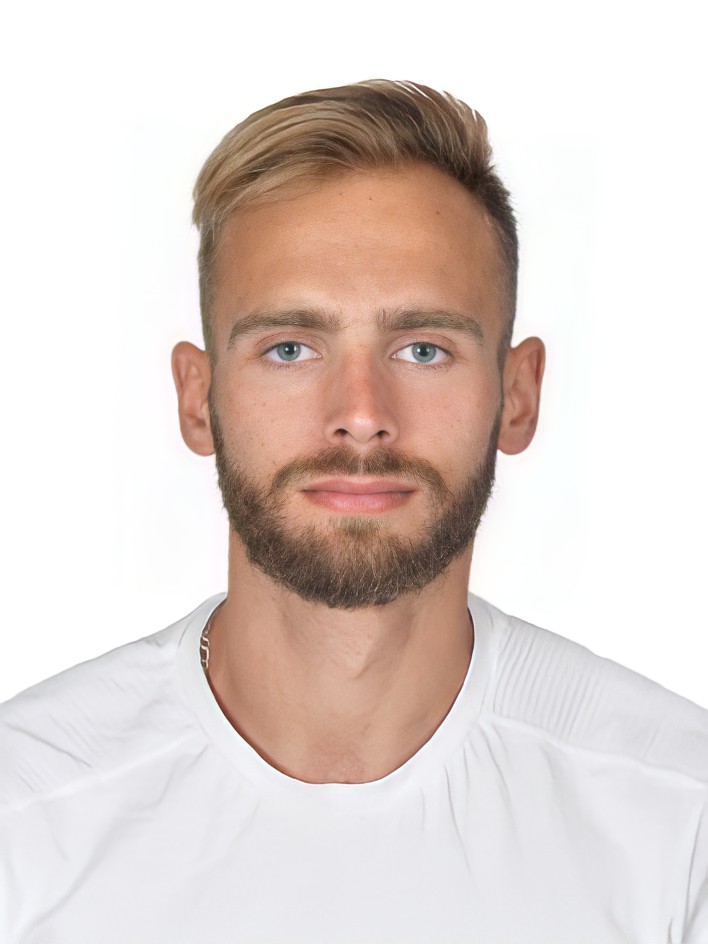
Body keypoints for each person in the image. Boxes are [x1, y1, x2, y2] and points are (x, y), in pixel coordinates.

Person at [1, 80, 706, 944]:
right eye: (290, 349)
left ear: (517, 395)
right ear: (197, 398)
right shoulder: (24, 819)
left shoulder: (678, 822)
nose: (363, 413)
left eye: (423, 349)